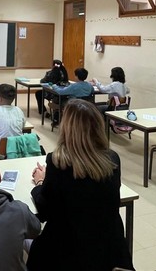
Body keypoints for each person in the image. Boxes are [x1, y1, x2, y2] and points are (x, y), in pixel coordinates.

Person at [27, 99, 133, 270]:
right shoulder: (112, 159)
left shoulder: (57, 162)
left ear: (66, 128)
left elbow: (46, 210)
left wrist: (40, 182)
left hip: (68, 252)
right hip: (108, 251)